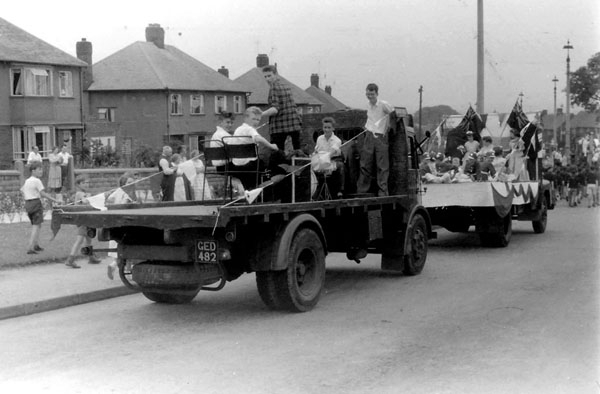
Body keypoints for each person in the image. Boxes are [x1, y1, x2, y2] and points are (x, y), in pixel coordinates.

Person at [356, 83, 394, 196]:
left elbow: (393, 114)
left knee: (382, 165)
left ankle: (383, 191)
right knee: (365, 163)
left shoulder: (384, 105)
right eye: (368, 94)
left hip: (381, 137)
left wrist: (389, 128)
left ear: (377, 93)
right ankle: (362, 191)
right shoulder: (367, 105)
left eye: (372, 94)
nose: (370, 96)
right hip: (369, 135)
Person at [231, 106, 279, 189]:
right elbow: (258, 138)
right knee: (273, 161)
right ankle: (268, 188)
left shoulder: (238, 129)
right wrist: (272, 146)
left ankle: (250, 189)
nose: (256, 122)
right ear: (246, 118)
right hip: (249, 165)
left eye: (258, 120)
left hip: (236, 164)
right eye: (253, 119)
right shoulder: (249, 129)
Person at [261, 65, 302, 151]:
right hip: (295, 125)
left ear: (276, 74)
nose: (267, 79)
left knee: (277, 154)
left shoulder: (274, 87)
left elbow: (275, 109)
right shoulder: (286, 85)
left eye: (269, 76)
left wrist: (260, 114)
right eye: (265, 76)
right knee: (298, 152)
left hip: (279, 127)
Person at [20, 162, 59, 255]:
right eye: (39, 169)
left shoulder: (27, 181)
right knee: (36, 226)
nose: (41, 171)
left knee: (37, 224)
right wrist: (54, 200)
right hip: (35, 203)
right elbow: (43, 194)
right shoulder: (37, 181)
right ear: (33, 171)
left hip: (28, 203)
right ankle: (30, 247)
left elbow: (22, 190)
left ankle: (36, 245)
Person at [65, 176, 101, 268]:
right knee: (80, 240)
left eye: (87, 183)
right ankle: (70, 259)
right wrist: (91, 197)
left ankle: (91, 257)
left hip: (88, 219)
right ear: (79, 184)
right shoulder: (80, 193)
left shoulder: (84, 193)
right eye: (84, 183)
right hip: (83, 220)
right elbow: (85, 201)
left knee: (89, 239)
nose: (86, 184)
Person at [106, 172, 137, 279]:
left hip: (116, 222)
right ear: (123, 183)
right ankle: (126, 269)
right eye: (129, 182)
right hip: (124, 222)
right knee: (127, 245)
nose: (131, 184)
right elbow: (126, 204)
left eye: (133, 182)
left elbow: (109, 200)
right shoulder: (126, 194)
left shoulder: (117, 192)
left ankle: (114, 265)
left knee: (118, 247)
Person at [313, 117, 346, 198]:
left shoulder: (337, 140)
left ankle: (340, 190)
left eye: (329, 128)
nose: (326, 130)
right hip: (321, 159)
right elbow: (316, 151)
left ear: (333, 128)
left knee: (340, 166)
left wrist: (324, 159)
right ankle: (314, 190)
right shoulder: (319, 138)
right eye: (325, 127)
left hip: (334, 159)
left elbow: (332, 153)